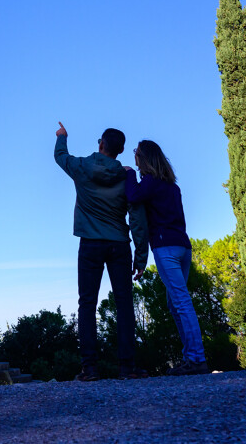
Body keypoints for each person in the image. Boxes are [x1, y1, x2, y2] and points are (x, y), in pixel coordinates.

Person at [54, 122, 149, 381]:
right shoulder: (126, 175)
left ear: (101, 145)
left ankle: (90, 368)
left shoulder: (82, 167)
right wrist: (141, 255)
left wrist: (62, 137)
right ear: (119, 151)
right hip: (119, 244)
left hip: (90, 244)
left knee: (87, 304)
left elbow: (60, 156)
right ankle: (127, 368)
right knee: (124, 304)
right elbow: (138, 218)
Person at [124, 139, 209, 376]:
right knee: (175, 303)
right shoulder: (173, 187)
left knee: (181, 302)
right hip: (184, 247)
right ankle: (190, 356)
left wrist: (130, 174)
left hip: (165, 248)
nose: (134, 157)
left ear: (145, 158)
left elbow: (132, 196)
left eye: (136, 153)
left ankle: (196, 358)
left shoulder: (150, 183)